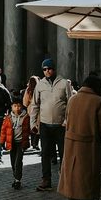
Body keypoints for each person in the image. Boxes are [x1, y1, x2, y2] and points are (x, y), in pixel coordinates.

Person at [59, 75, 101, 200]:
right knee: (87, 184)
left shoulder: (72, 100)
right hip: (88, 148)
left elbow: (66, 120)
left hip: (70, 146)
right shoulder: (98, 102)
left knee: (72, 184)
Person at [31, 59, 74, 192]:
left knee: (63, 153)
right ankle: (46, 180)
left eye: (49, 68)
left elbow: (71, 103)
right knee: (45, 153)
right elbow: (35, 104)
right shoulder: (40, 85)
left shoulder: (64, 83)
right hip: (44, 124)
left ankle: (65, 180)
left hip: (60, 125)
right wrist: (33, 122)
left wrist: (67, 121)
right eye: (44, 69)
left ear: (54, 69)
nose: (47, 71)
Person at [0, 97, 30, 190]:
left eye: (19, 106)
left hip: (21, 142)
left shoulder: (26, 117)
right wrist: (1, 142)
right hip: (12, 143)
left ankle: (18, 180)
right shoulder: (8, 118)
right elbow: (3, 130)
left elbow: (29, 129)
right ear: (12, 107)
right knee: (13, 162)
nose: (17, 108)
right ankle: (15, 177)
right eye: (15, 106)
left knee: (18, 162)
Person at [22, 76, 40, 152]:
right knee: (38, 126)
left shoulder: (28, 90)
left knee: (31, 125)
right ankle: (35, 143)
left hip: (31, 110)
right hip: (39, 110)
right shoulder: (40, 89)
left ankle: (32, 142)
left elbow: (25, 102)